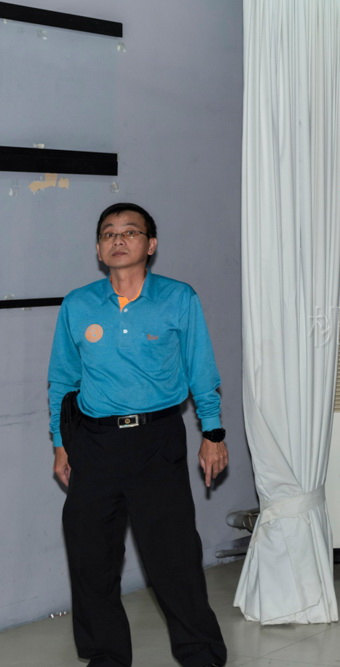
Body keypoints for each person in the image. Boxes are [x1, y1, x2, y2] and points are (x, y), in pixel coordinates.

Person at [48, 202, 229, 667]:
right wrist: (61, 444)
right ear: (98, 248)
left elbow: (201, 371)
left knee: (173, 557)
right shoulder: (78, 304)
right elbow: (62, 380)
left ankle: (200, 653)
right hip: (94, 443)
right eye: (108, 233)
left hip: (157, 441)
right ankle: (105, 655)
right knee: (91, 557)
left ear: (150, 245)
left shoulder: (178, 298)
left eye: (130, 232)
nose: (118, 240)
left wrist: (213, 433)